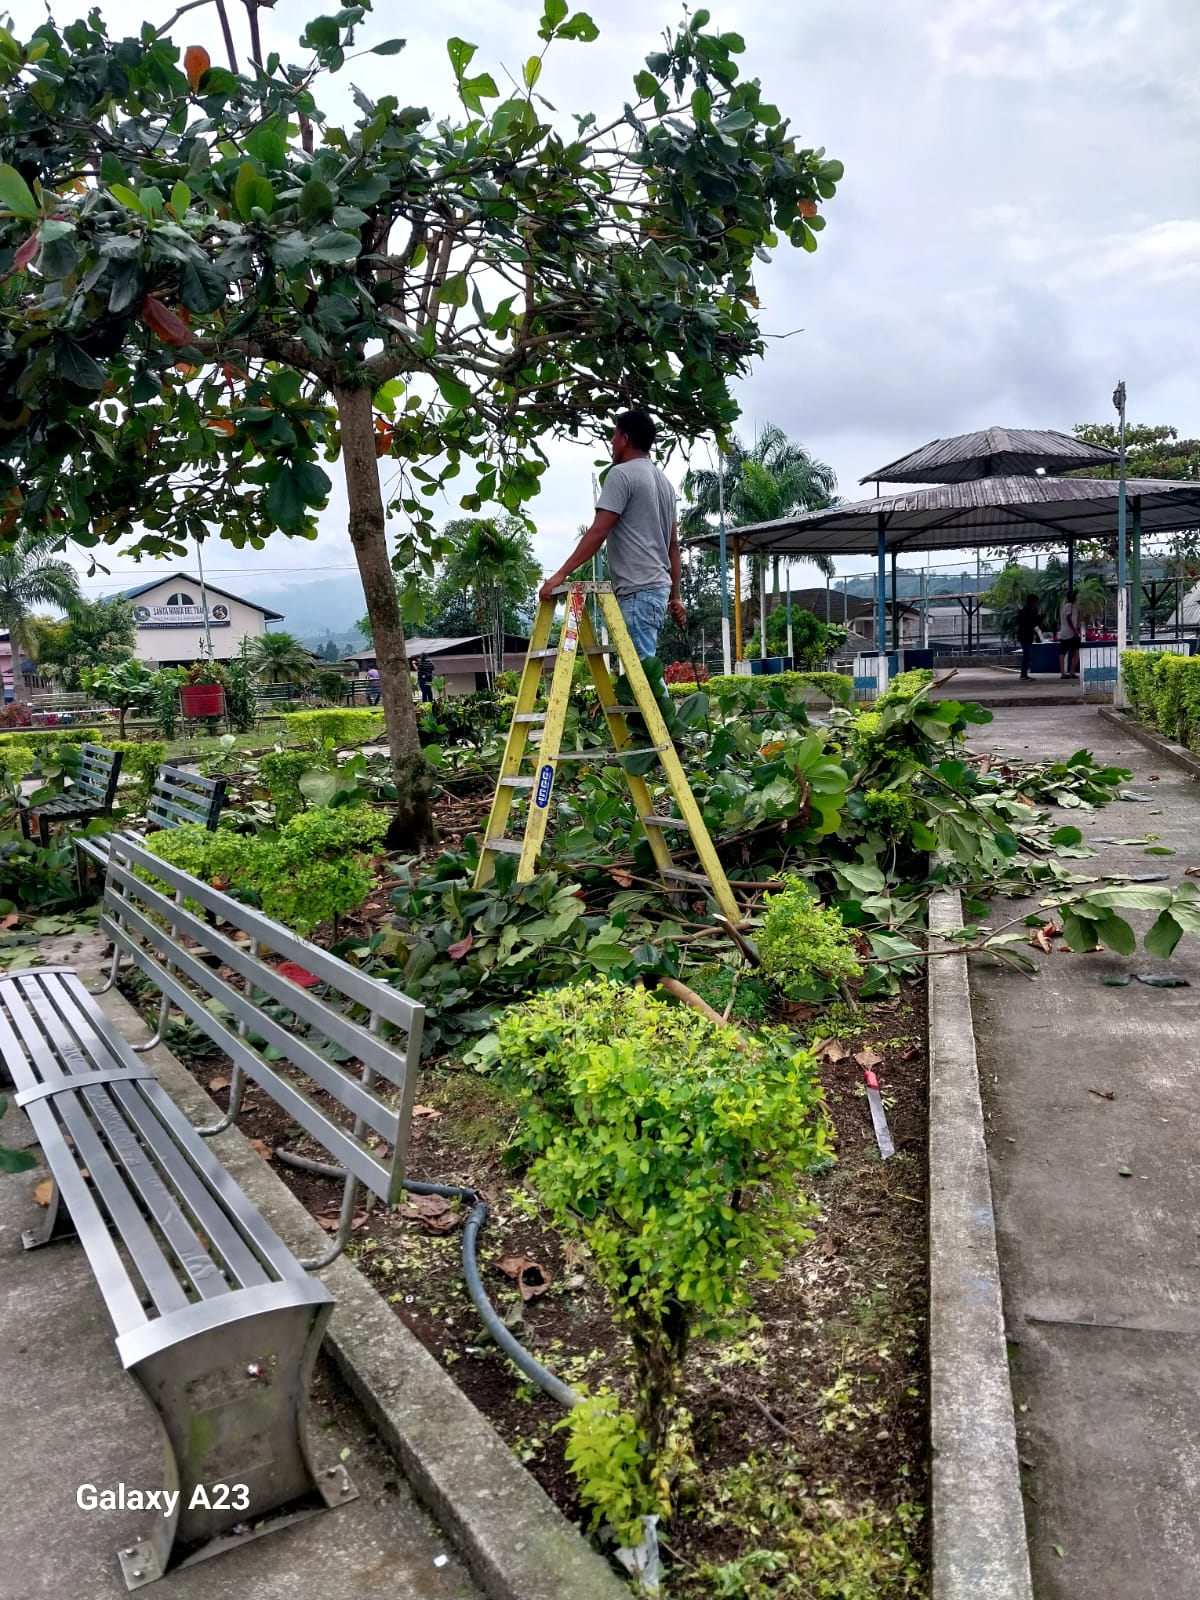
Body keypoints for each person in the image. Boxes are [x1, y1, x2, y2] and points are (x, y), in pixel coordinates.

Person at [538, 409, 686, 661]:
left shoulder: (621, 474)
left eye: (614, 436)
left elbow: (599, 531)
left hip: (638, 590)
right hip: (657, 589)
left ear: (625, 439)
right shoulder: (664, 483)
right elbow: (673, 545)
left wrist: (560, 574)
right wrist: (675, 596)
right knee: (641, 670)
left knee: (641, 673)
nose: (611, 441)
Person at [1015, 593, 1042, 680]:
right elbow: (1031, 622)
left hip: (1025, 636)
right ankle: (1023, 674)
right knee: (1027, 655)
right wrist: (1039, 618)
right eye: (1035, 602)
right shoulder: (1027, 612)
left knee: (1027, 655)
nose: (1035, 604)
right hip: (1025, 636)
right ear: (1031, 602)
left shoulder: (1026, 611)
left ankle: (1024, 674)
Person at [1058, 589, 1082, 679]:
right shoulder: (1070, 606)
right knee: (1076, 652)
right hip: (1071, 634)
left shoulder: (1063, 607)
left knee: (1062, 653)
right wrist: (1075, 631)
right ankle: (1072, 671)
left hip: (1063, 634)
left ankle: (1063, 673)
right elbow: (1068, 618)